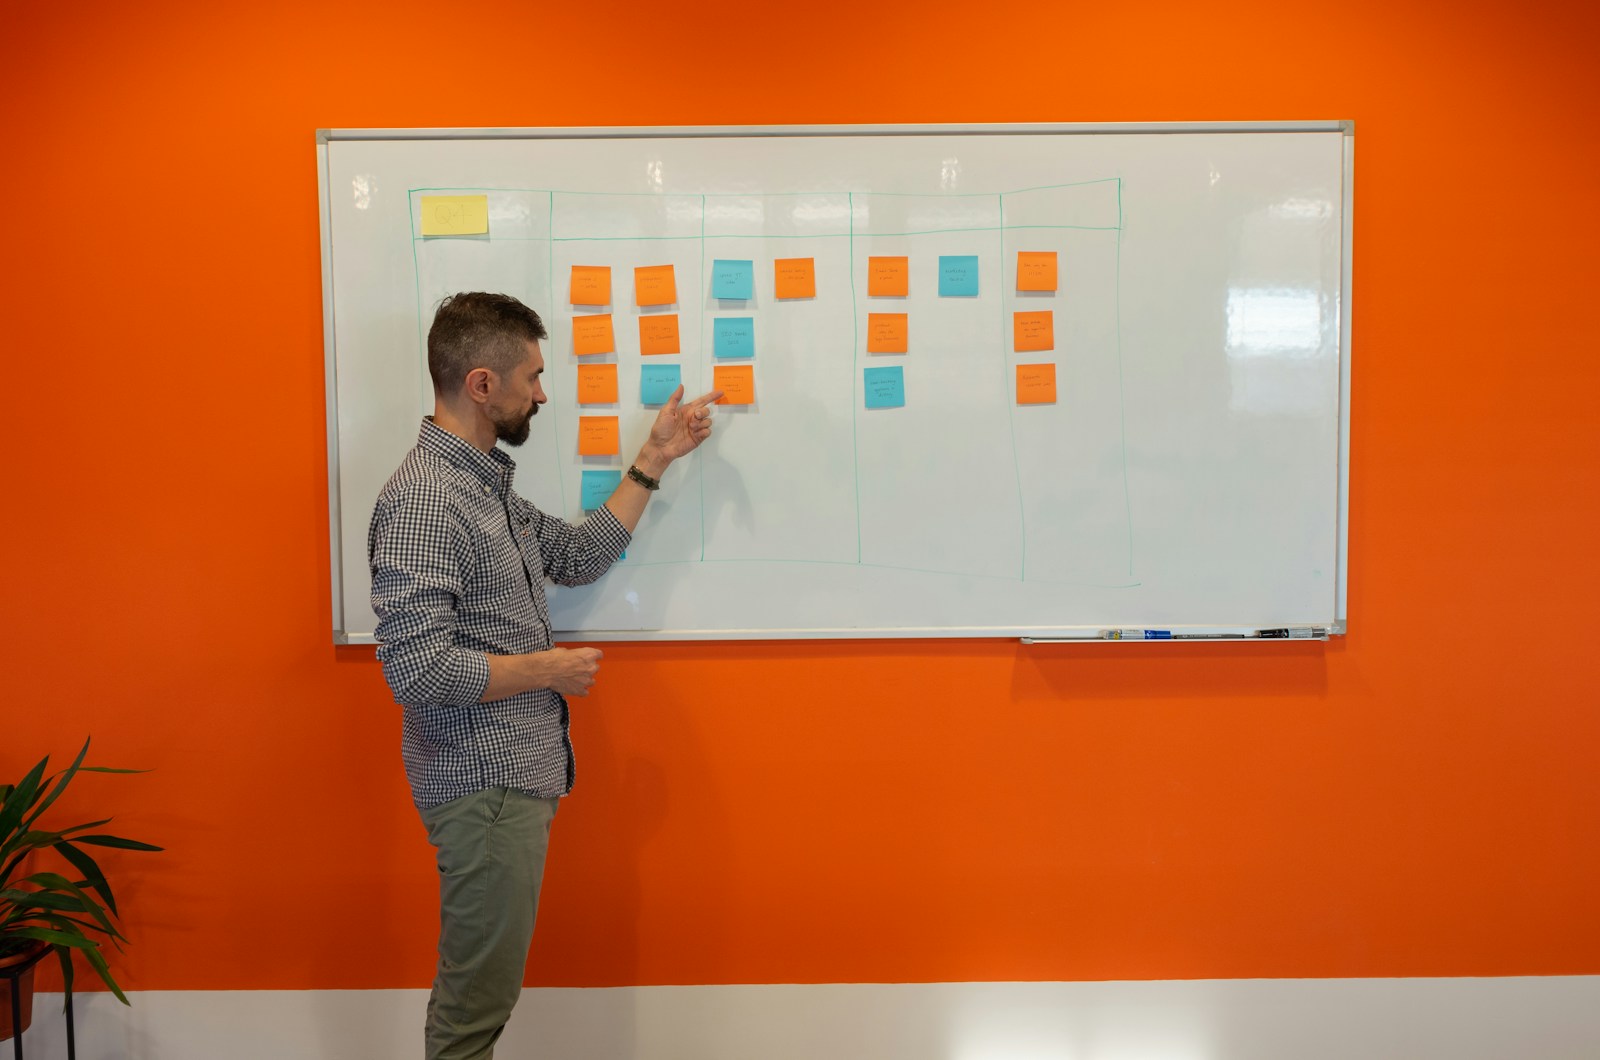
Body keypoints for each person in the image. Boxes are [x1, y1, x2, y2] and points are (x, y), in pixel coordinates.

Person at [367, 291, 720, 1060]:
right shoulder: (428, 498)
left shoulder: (484, 484)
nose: (543, 393)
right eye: (531, 376)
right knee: (475, 1010)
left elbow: (577, 555)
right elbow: (414, 666)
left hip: (508, 781)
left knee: (482, 999)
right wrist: (543, 670)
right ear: (482, 384)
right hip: (481, 783)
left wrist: (654, 457)